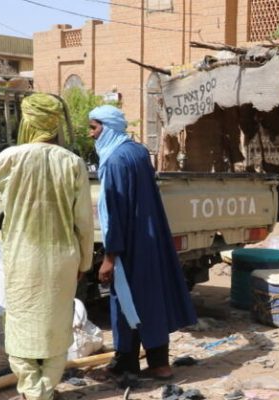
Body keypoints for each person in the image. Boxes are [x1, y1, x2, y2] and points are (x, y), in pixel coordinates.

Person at [0, 94, 94, 400]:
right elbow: (83, 222)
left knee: (22, 325)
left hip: (23, 259)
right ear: (54, 124)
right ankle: (45, 389)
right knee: (55, 327)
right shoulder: (73, 163)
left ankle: (33, 391)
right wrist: (84, 263)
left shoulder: (11, 157)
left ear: (28, 122)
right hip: (63, 260)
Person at [89, 105, 197, 381]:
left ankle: (125, 362)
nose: (91, 135)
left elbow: (114, 213)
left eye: (94, 127)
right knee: (150, 298)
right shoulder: (137, 151)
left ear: (108, 127)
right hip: (149, 238)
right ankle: (160, 363)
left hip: (128, 244)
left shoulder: (114, 161)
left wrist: (110, 257)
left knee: (122, 297)